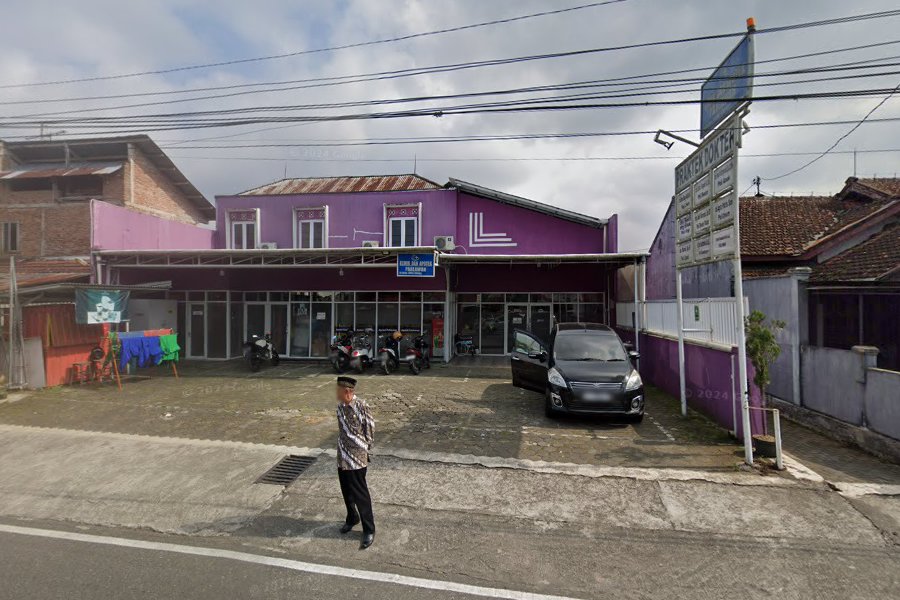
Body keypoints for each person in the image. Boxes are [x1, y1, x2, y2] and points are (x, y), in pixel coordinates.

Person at [335, 375, 376, 549]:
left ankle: (369, 529)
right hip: (343, 456)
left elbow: (370, 429)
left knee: (360, 494)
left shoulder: (361, 406)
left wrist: (363, 449)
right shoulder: (339, 407)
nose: (336, 394)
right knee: (346, 490)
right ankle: (352, 517)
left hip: (357, 457)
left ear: (347, 391)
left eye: (338, 391)